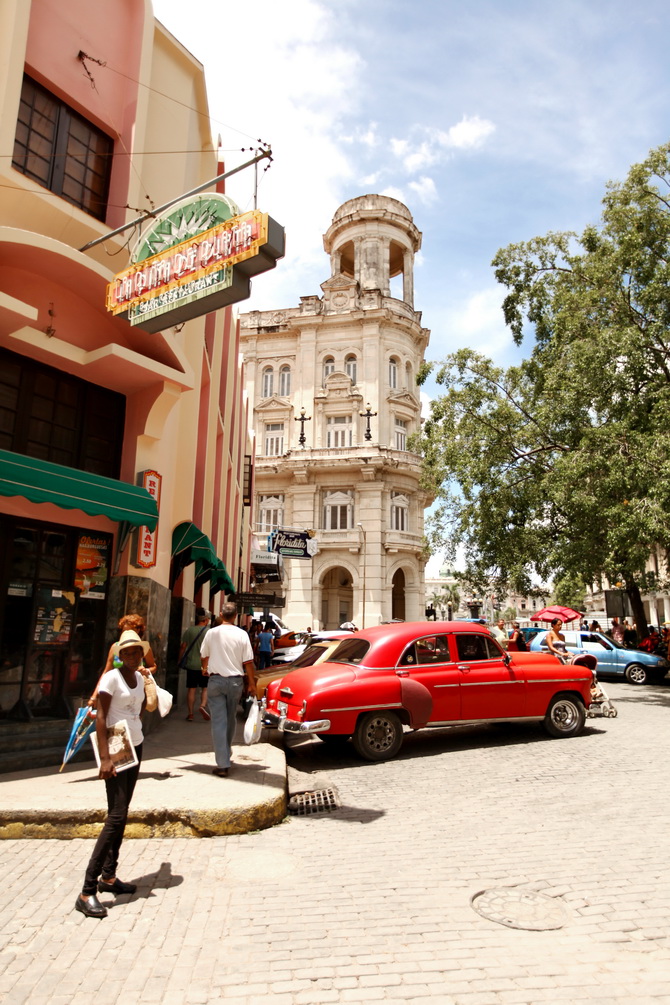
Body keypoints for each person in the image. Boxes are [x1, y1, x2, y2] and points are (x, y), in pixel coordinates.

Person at [75, 630, 146, 919]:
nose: (131, 656)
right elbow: (101, 718)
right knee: (115, 816)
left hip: (137, 744)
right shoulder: (111, 678)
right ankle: (86, 891)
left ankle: (109, 877)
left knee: (122, 812)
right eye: (126, 652)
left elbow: (139, 709)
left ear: (142, 653)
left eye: (136, 651)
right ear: (119, 655)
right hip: (116, 745)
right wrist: (104, 759)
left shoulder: (140, 678)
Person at [200, 602, 256, 778]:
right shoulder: (242, 634)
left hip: (216, 681)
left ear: (221, 614)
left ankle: (222, 762)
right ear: (236, 615)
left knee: (218, 722)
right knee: (230, 718)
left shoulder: (211, 632)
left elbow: (204, 655)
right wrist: (252, 684)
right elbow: (248, 662)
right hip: (235, 683)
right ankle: (226, 753)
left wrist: (204, 668)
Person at [89, 613, 156, 707]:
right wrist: (95, 695)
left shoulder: (144, 648)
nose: (127, 633)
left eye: (131, 630)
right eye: (124, 631)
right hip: (115, 691)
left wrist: (146, 671)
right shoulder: (115, 647)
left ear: (138, 630)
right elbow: (106, 672)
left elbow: (153, 666)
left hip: (135, 692)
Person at [180, 607, 211, 721]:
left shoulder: (190, 630)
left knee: (191, 689)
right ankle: (202, 706)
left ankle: (191, 714)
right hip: (205, 665)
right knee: (205, 688)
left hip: (191, 664)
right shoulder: (209, 632)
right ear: (206, 620)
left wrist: (180, 659)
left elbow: (183, 646)